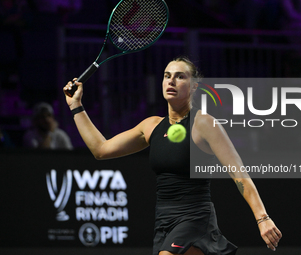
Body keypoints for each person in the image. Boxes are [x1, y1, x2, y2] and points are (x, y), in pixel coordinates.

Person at [63, 57, 282, 255]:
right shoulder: (151, 126)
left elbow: (239, 174)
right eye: (167, 76)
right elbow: (101, 149)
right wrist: (76, 106)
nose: (171, 81)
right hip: (164, 221)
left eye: (180, 77)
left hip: (195, 219)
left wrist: (262, 218)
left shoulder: (204, 123)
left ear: (194, 87)